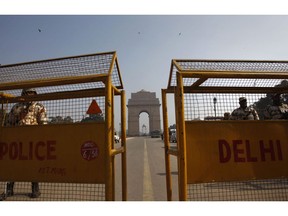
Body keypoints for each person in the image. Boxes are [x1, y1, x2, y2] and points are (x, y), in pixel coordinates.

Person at [6, 88, 47, 198]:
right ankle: (9, 190)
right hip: (17, 140)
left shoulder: (39, 107)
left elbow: (43, 123)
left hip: (33, 141)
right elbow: (9, 123)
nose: (29, 95)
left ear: (35, 94)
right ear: (23, 94)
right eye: (27, 93)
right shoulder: (16, 107)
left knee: (33, 165)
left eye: (31, 93)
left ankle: (35, 190)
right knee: (13, 165)